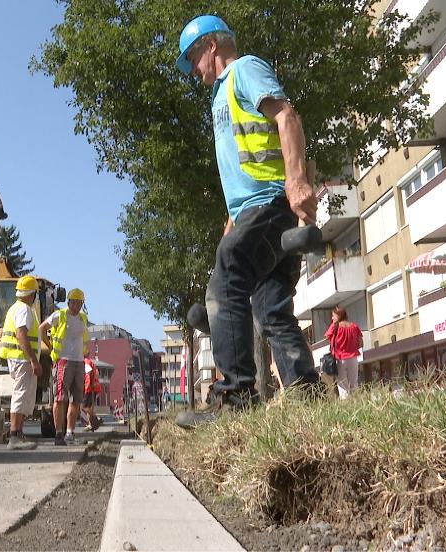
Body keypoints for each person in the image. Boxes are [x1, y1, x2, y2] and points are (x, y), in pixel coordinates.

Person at [175, 15, 322, 412]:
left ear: (211, 47)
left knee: (226, 282)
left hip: (272, 201)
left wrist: (296, 182)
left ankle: (236, 393)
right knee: (270, 305)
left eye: (192, 59)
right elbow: (238, 172)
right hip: (252, 210)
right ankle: (308, 394)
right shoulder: (219, 98)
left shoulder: (244, 70)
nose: (193, 71)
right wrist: (230, 224)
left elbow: (286, 117)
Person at [0, 275, 43, 451]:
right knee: (20, 394)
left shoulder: (14, 308)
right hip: (22, 359)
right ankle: (15, 436)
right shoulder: (24, 310)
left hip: (19, 358)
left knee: (23, 395)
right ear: (32, 294)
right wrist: (33, 360)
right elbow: (21, 335)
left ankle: (19, 435)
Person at [40, 288, 88, 446]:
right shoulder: (59, 315)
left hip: (79, 362)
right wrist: (51, 348)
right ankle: (59, 434)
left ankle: (69, 434)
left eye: (79, 303)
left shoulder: (83, 318)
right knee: (60, 399)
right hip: (63, 362)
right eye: (74, 303)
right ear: (69, 303)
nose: (76, 306)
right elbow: (42, 329)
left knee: (75, 400)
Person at [325, 305, 363, 398]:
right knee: (354, 383)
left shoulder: (335, 327)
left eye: (333, 315)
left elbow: (327, 337)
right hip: (353, 358)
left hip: (340, 359)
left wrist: (334, 324)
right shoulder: (354, 326)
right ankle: (357, 404)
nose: (332, 318)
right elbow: (361, 343)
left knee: (343, 386)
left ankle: (347, 407)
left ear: (339, 316)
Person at [82, 358, 103, 430]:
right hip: (93, 387)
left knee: (85, 407)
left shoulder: (85, 361)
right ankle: (90, 424)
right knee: (89, 407)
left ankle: (96, 418)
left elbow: (89, 371)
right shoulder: (90, 362)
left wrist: (91, 383)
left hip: (89, 388)